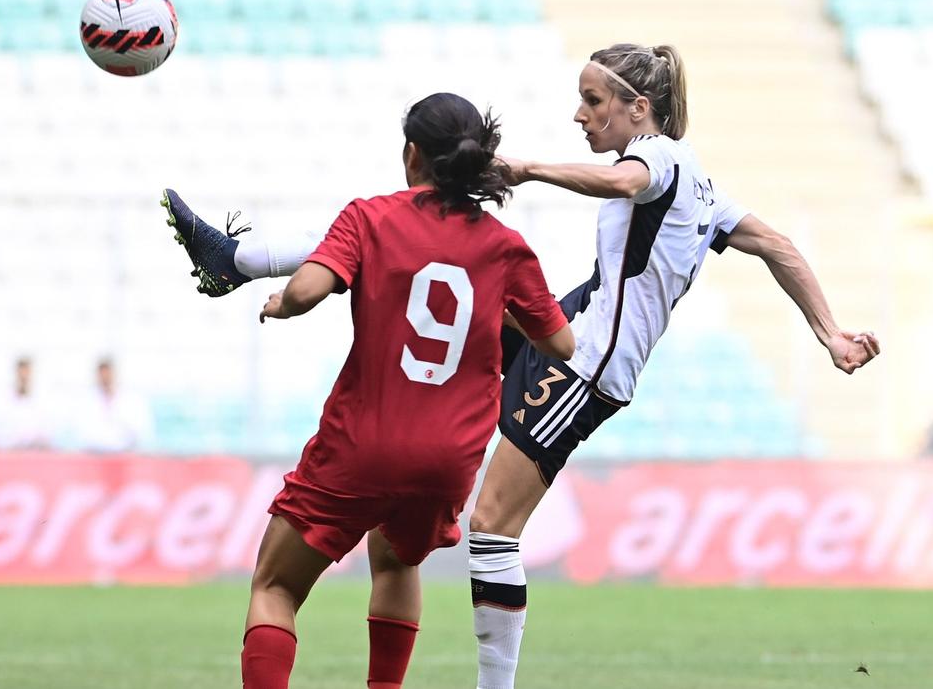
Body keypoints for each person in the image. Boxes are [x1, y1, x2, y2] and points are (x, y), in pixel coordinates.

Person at [160, 44, 883, 689]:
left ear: (641, 108)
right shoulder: (702, 187)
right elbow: (777, 243)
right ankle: (241, 259)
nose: (579, 115)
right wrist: (830, 332)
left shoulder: (659, 155)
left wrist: (531, 168)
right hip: (573, 326)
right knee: (414, 228)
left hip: (586, 363)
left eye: (593, 101)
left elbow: (628, 182)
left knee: (494, 525)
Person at [161, 92, 574, 689]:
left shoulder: (370, 217)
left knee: (275, 586)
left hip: (365, 442)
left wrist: (281, 303)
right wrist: (497, 311)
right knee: (397, 559)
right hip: (448, 459)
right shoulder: (505, 246)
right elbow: (560, 344)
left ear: (412, 155)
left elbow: (307, 290)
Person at [74, 357, 154, 452]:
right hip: (95, 455)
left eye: (108, 374)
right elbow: (83, 433)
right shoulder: (86, 400)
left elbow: (140, 431)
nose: (105, 378)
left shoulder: (131, 399)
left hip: (124, 455)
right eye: (102, 374)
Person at [0, 356, 53, 451]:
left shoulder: (42, 401)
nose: (24, 377)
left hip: (34, 454)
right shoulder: (3, 400)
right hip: (11, 454)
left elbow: (45, 434)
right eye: (21, 372)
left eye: (27, 373)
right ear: (16, 373)